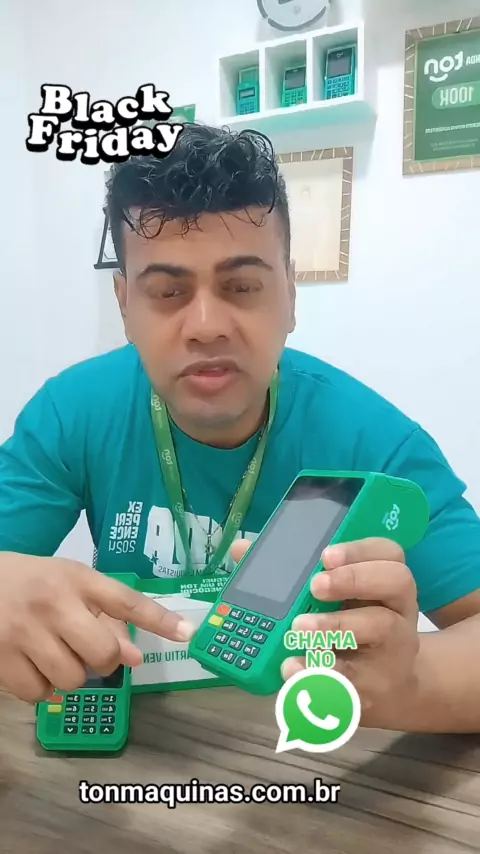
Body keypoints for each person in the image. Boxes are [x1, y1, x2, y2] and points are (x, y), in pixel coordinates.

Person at [0, 123, 479, 733]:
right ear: (124, 304)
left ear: (290, 296)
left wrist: (407, 684)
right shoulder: (72, 411)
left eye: (243, 286)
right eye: (167, 291)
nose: (206, 325)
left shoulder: (374, 441)